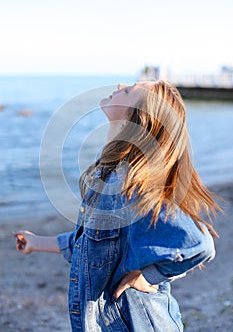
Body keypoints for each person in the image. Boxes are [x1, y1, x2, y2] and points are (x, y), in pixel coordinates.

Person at [14, 80, 221, 332]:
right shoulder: (112, 175)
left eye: (128, 91)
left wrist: (149, 276)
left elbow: (198, 244)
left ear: (136, 120)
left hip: (135, 323)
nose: (121, 84)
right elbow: (94, 243)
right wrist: (37, 243)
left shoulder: (130, 185)